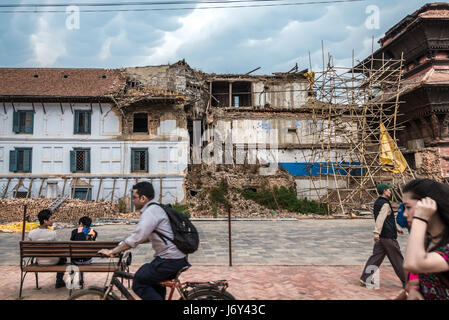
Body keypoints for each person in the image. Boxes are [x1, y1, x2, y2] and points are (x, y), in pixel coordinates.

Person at [98, 181, 190, 300]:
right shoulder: (157, 208)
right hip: (175, 258)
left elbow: (136, 238)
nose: (132, 200)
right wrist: (124, 244)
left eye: (134, 197)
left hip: (170, 261)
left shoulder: (150, 212)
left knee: (139, 281)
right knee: (151, 279)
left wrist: (112, 251)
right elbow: (145, 237)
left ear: (143, 198)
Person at [402, 179, 449, 300]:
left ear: (428, 206)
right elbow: (412, 273)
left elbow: (412, 264)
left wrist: (420, 218)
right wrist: (413, 289)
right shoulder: (427, 239)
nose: (404, 214)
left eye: (408, 207)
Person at [360, 184, 406, 288]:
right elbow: (380, 219)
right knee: (397, 259)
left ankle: (365, 278)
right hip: (387, 236)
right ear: (384, 191)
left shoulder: (378, 202)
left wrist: (397, 229)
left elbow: (388, 219)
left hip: (382, 237)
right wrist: (376, 233)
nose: (390, 191)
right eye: (389, 190)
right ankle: (407, 281)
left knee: (375, 258)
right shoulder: (385, 204)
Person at [27, 209, 66, 288]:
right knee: (63, 258)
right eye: (51, 219)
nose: (53, 221)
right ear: (45, 221)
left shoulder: (31, 233)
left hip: (39, 261)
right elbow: (58, 248)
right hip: (52, 261)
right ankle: (59, 281)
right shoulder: (52, 234)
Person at [70, 216, 98, 288]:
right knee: (84, 254)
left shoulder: (74, 232)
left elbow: (72, 241)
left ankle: (74, 279)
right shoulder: (94, 232)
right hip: (87, 260)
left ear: (81, 223)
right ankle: (81, 279)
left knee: (78, 255)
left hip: (76, 260)